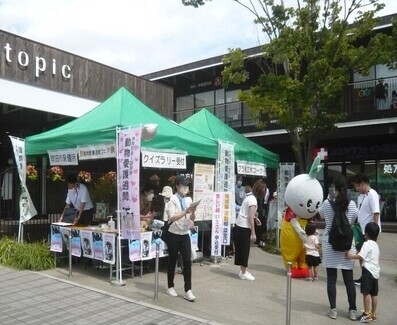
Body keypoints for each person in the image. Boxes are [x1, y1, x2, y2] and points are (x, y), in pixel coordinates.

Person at [319, 175, 358, 321]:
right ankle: (352, 311)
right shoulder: (352, 205)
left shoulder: (326, 204)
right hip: (347, 245)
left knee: (331, 279)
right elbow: (353, 220)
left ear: (334, 188)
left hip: (330, 244)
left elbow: (321, 216)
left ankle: (333, 310)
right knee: (349, 280)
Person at [166, 175, 197, 301]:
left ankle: (188, 289)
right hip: (173, 233)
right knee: (172, 260)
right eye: (183, 185)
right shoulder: (172, 199)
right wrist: (186, 212)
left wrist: (193, 211)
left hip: (184, 234)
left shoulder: (189, 200)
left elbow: (192, 218)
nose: (185, 188)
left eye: (187, 185)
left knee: (187, 261)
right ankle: (170, 286)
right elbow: (172, 218)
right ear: (177, 186)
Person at [346, 222, 380, 322]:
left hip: (368, 272)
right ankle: (373, 314)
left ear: (366, 233)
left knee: (366, 293)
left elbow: (361, 256)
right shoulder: (376, 245)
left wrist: (350, 256)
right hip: (375, 272)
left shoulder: (366, 243)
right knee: (374, 294)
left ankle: (366, 314)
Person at [234, 180, 265, 281]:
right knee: (245, 250)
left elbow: (250, 215)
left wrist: (256, 219)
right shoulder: (253, 201)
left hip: (240, 224)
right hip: (244, 227)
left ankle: (242, 270)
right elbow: (250, 217)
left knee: (242, 249)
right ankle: (243, 272)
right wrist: (253, 233)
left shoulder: (250, 198)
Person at [254, 179, 269, 247]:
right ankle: (258, 239)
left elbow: (265, 201)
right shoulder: (254, 197)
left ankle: (260, 239)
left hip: (262, 210)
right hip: (258, 211)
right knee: (258, 226)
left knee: (261, 225)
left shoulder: (265, 192)